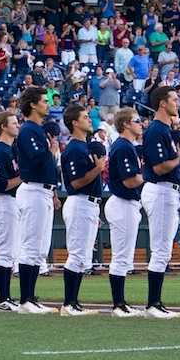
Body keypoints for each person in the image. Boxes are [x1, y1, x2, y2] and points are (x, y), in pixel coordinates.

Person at [14, 86, 60, 314]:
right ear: (32, 104)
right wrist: (51, 150)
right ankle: (25, 299)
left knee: (39, 247)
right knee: (31, 245)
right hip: (33, 189)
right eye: (43, 100)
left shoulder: (38, 129)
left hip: (43, 190)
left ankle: (30, 297)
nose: (47, 104)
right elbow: (37, 158)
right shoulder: (29, 130)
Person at [58, 104, 105, 316]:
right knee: (76, 255)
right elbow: (76, 182)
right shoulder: (75, 148)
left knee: (83, 256)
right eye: (85, 117)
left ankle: (74, 303)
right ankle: (69, 303)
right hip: (80, 201)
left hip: (89, 203)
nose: (89, 120)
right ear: (74, 122)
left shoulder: (85, 146)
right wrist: (98, 168)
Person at [140, 86, 180, 319]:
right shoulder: (157, 130)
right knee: (161, 248)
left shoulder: (166, 129)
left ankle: (156, 302)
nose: (177, 102)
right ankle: (153, 303)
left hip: (168, 190)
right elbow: (160, 166)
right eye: (174, 99)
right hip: (160, 188)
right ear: (162, 103)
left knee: (164, 248)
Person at [105, 108, 145, 317]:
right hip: (122, 202)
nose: (141, 124)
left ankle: (121, 303)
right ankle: (118, 304)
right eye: (137, 121)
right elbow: (130, 180)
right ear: (126, 124)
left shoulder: (127, 146)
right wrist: (147, 177)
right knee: (121, 256)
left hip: (127, 203)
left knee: (124, 255)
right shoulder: (123, 146)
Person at [0, 110, 22, 312]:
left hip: (12, 201)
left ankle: (6, 296)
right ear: (3, 127)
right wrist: (23, 176)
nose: (17, 125)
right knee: (5, 251)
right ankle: (2, 298)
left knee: (10, 251)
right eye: (14, 122)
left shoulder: (10, 149)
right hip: (3, 201)